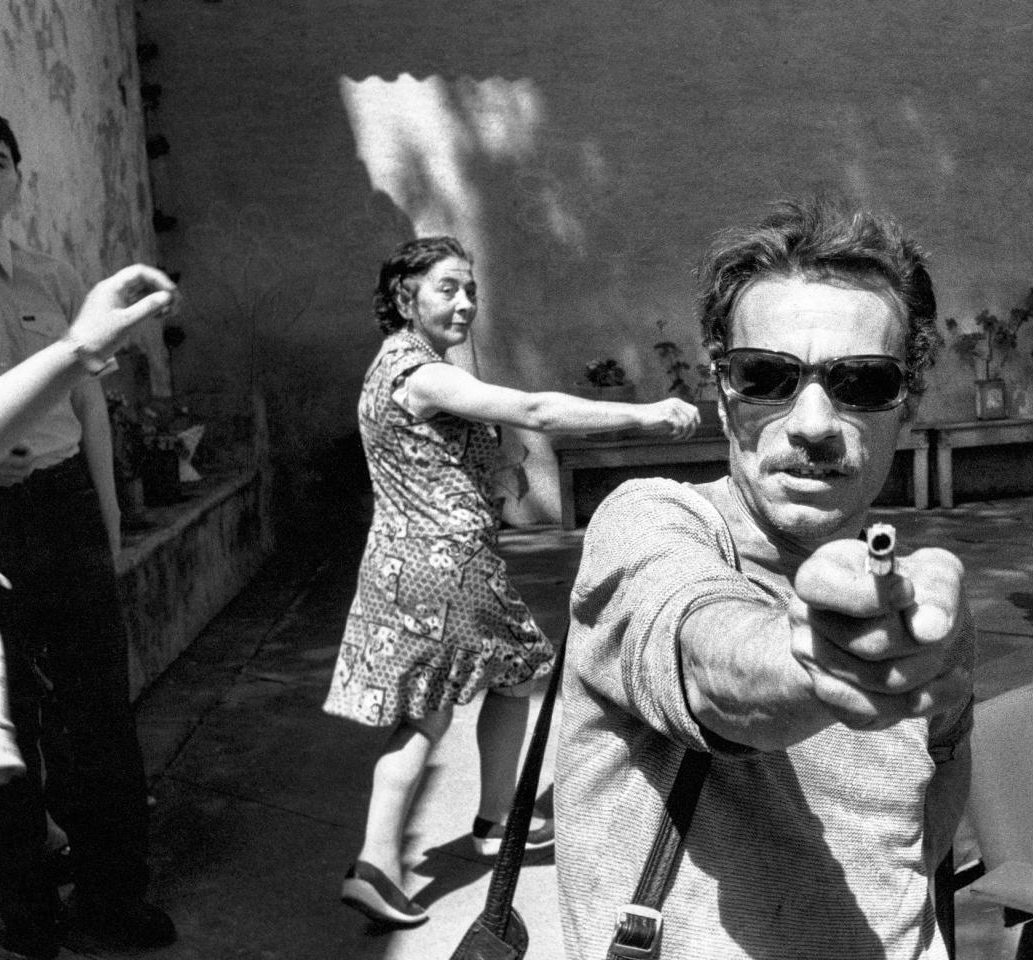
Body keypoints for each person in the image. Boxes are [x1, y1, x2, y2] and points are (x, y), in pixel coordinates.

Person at [555, 197, 974, 959]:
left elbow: (940, 766)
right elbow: (710, 662)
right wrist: (817, 660)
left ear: (907, 403)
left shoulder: (910, 598)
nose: (813, 423)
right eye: (766, 376)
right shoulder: (647, 526)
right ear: (723, 395)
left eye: (862, 382)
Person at [325, 235, 698, 927]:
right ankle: (384, 860)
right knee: (435, 712)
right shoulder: (420, 373)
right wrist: (644, 414)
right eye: (447, 288)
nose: (465, 303)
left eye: (471, 289)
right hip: (444, 567)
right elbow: (535, 413)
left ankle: (488, 824)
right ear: (405, 298)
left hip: (409, 564)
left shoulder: (393, 365)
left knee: (503, 678)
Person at [0, 102, 178, 958]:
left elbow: (88, 404)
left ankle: (114, 896)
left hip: (63, 507)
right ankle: (27, 913)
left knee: (98, 710)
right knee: (0, 718)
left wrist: (108, 514)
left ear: (17, 180)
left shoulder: (52, 278)